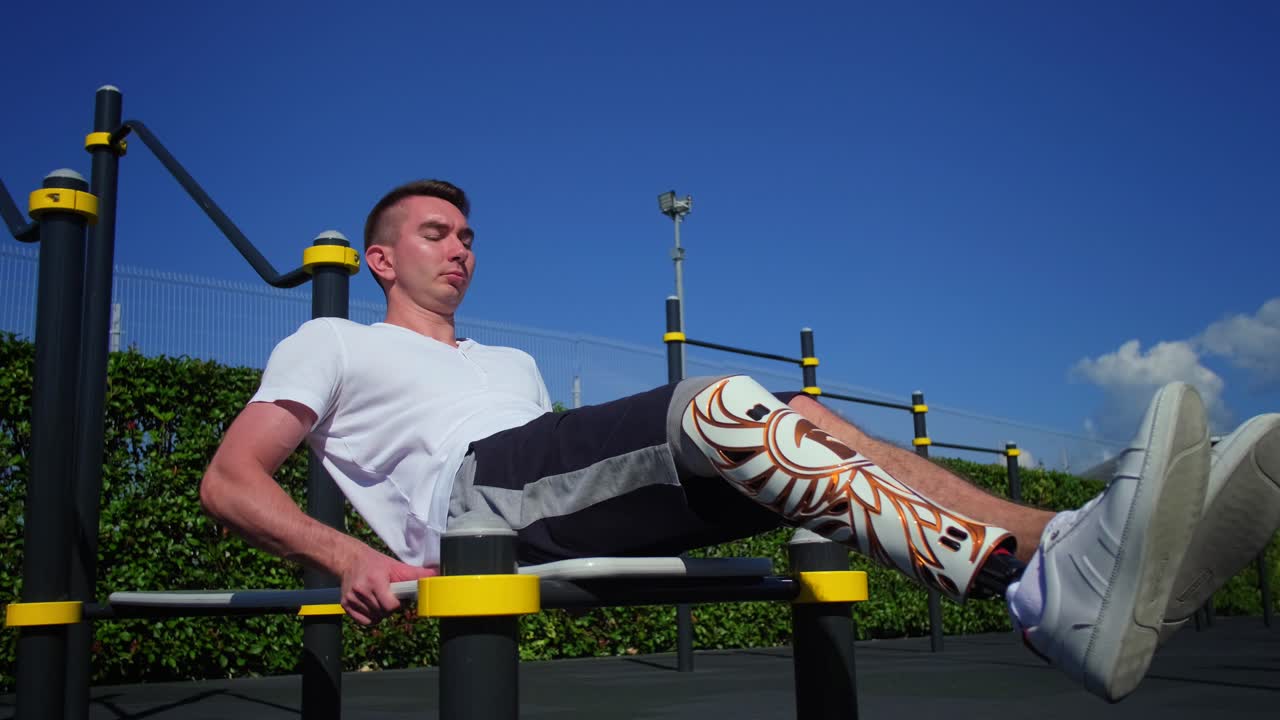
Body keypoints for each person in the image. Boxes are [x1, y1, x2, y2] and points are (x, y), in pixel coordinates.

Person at [199, 179, 1280, 703]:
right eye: (436, 234)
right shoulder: (334, 340)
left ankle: (1063, 548)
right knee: (713, 403)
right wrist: (347, 555)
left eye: (469, 235)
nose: (461, 249)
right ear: (381, 260)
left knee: (801, 422)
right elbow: (230, 479)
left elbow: (573, 465)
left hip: (541, 481)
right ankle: (1039, 587)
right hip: (470, 503)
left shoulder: (510, 364)